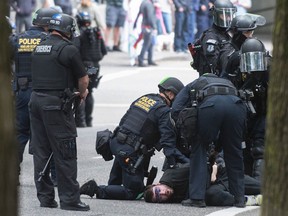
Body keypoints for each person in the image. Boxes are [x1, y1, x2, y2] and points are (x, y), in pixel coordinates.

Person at [79, 77, 189, 200]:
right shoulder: (163, 111)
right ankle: (95, 189)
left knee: (117, 179)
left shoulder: (144, 98)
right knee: (133, 192)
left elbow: (124, 121)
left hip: (116, 142)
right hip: (129, 151)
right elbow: (168, 144)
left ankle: (112, 187)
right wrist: (187, 164)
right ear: (170, 93)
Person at [30, 13, 90, 211]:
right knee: (65, 151)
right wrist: (82, 94)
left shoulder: (39, 47)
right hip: (56, 105)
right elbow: (83, 79)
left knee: (41, 151)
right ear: (68, 30)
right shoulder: (69, 49)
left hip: (36, 101)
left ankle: (46, 198)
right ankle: (70, 200)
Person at [171, 73, 247, 207]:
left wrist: (188, 128)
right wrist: (217, 149)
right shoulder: (227, 82)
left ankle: (197, 198)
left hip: (210, 107)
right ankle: (239, 198)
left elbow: (176, 109)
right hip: (237, 106)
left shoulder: (193, 84)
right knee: (234, 152)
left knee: (199, 147)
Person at [10, 7, 61, 181]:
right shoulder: (50, 41)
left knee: (19, 134)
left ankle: (11, 175)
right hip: (43, 94)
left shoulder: (17, 39)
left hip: (21, 94)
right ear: (49, 23)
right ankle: (52, 177)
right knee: (48, 135)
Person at [143, 157, 262, 206]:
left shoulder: (173, 175)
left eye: (159, 191)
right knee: (211, 194)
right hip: (215, 186)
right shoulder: (170, 196)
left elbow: (202, 164)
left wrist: (214, 173)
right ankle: (249, 200)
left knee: (262, 187)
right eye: (159, 197)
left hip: (220, 174)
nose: (163, 194)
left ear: (157, 184)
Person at [231, 38, 270, 180]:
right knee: (243, 146)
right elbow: (224, 80)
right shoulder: (235, 63)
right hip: (243, 110)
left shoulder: (270, 68)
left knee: (259, 147)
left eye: (257, 59)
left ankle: (259, 182)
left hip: (264, 111)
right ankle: (246, 181)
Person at [74, 11, 106, 127]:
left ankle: (81, 121)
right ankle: (88, 120)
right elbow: (104, 51)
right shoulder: (96, 32)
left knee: (81, 91)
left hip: (85, 66)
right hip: (95, 66)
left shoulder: (79, 34)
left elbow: (75, 51)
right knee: (90, 91)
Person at [191, 0, 236, 76]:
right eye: (224, 16)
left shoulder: (228, 33)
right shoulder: (210, 37)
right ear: (216, 15)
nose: (227, 19)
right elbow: (214, 65)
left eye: (229, 16)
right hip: (213, 81)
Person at [219, 14, 266, 79]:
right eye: (246, 33)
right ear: (237, 33)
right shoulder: (228, 50)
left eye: (251, 32)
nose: (250, 36)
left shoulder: (252, 46)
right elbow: (226, 74)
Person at [134, 0, 158, 67]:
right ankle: (141, 60)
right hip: (148, 26)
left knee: (150, 44)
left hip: (144, 25)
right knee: (146, 44)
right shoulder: (149, 4)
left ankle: (150, 60)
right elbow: (150, 17)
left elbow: (139, 14)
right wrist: (154, 26)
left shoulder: (144, 2)